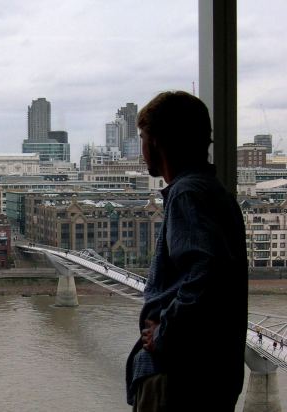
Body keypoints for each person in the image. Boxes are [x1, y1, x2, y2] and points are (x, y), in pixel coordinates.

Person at [125, 91, 248, 411]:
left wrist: (165, 331)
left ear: (156, 142)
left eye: (142, 137)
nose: (141, 149)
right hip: (209, 377)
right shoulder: (216, 192)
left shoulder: (186, 194)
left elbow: (206, 273)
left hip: (179, 380)